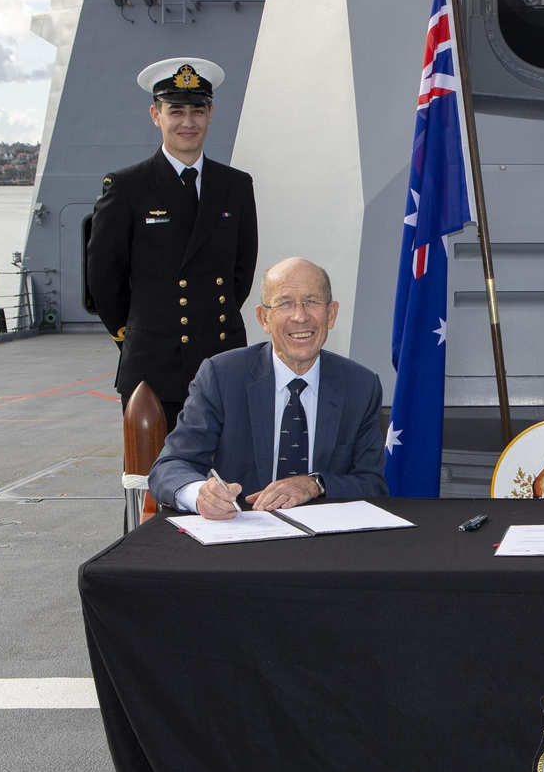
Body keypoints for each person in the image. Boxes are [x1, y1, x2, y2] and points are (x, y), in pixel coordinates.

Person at [87, 57, 259, 431]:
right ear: (155, 114)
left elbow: (240, 273)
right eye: (175, 110)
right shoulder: (127, 187)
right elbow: (103, 278)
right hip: (154, 366)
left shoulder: (236, 186)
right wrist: (139, 334)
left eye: (197, 111)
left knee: (226, 477)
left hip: (221, 355)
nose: (187, 122)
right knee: (157, 480)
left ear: (211, 114)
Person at [148, 258, 387, 515]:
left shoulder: (361, 386)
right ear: (264, 318)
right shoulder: (222, 376)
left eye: (312, 301)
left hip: (325, 543)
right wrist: (200, 495)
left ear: (331, 314)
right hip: (240, 537)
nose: (300, 316)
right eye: (285, 303)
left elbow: (372, 483)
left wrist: (315, 484)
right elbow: (171, 465)